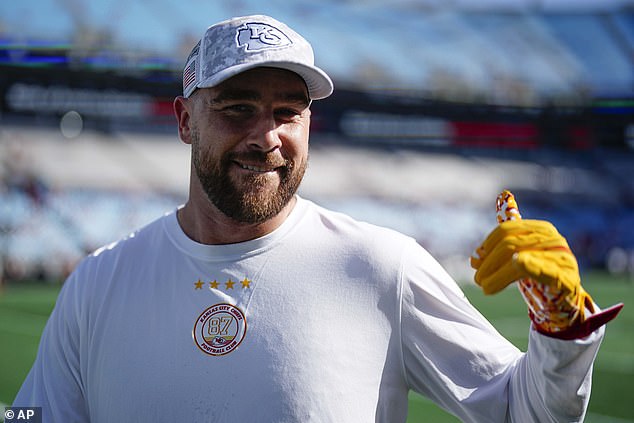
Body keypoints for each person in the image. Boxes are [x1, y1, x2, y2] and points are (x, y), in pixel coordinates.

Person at [13, 14, 621, 422]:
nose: (267, 136)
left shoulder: (384, 266)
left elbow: (526, 411)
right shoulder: (96, 284)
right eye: (237, 108)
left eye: (288, 110)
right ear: (184, 121)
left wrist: (560, 329)